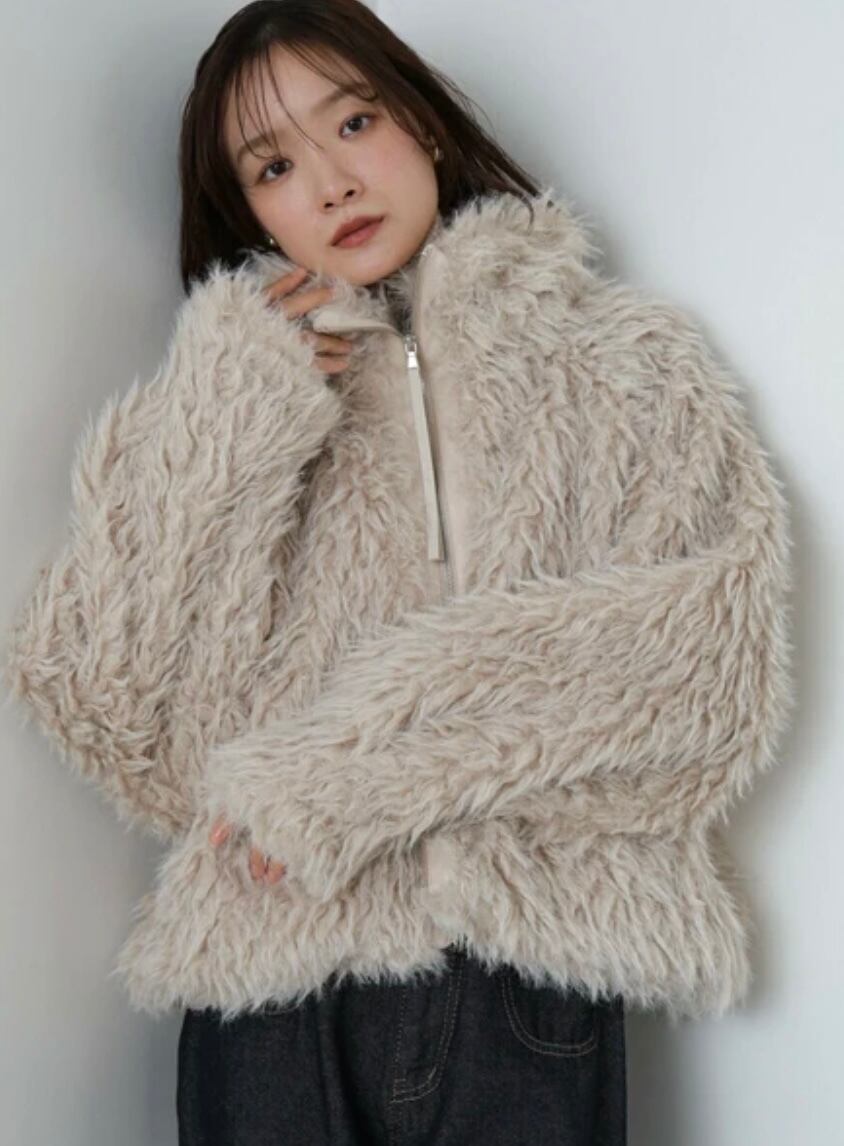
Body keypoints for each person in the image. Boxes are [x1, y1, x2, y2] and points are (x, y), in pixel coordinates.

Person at [3, 1, 795, 1143]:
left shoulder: (624, 369)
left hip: (528, 975)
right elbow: (104, 701)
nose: (332, 184)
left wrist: (333, 785)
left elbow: (701, 669)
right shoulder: (232, 400)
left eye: (354, 121)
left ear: (419, 120)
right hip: (272, 989)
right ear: (247, 207)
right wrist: (236, 411)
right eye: (275, 166)